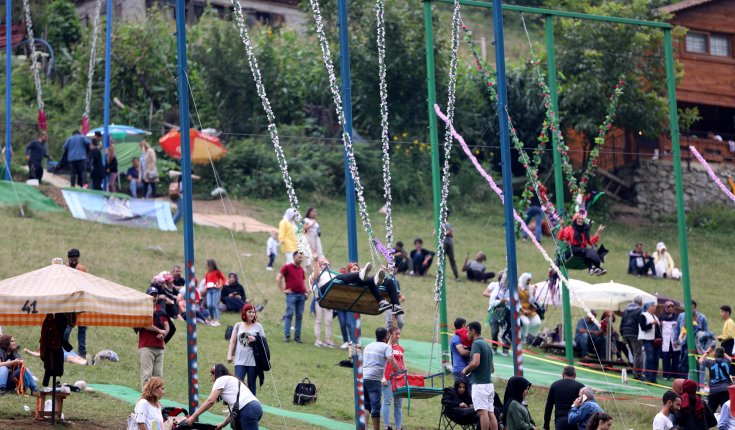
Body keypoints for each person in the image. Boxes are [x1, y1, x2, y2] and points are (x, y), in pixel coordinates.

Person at [186, 364, 263, 430]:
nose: (211, 378)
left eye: (211, 375)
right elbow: (234, 411)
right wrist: (223, 424)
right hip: (255, 408)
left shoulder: (220, 380)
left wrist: (193, 417)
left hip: (248, 410)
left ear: (215, 374)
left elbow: (210, 401)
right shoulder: (232, 380)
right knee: (234, 424)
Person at [461, 321, 498, 430]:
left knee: (482, 412)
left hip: (480, 385)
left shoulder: (476, 344)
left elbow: (476, 362)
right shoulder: (487, 345)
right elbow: (492, 369)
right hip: (489, 385)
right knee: (491, 412)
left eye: (468, 331)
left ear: (473, 331)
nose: (467, 334)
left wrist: (466, 369)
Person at [363, 327, 399, 430]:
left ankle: (365, 427)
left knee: (366, 405)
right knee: (376, 406)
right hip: (374, 379)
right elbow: (390, 359)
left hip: (363, 377)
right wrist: (398, 370)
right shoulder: (386, 347)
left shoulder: (368, 346)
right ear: (387, 336)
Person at [227, 303, 265, 395]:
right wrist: (229, 355)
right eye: (249, 312)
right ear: (244, 312)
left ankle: (252, 407)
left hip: (253, 361)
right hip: (239, 361)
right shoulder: (238, 325)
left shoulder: (258, 326)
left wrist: (255, 339)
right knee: (237, 383)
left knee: (251, 384)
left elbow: (264, 342)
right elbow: (232, 341)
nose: (252, 314)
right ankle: (235, 407)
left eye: (253, 312)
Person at [138, 286, 169, 389]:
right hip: (146, 346)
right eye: (151, 295)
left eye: (155, 295)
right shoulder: (143, 310)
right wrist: (160, 331)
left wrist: (164, 334)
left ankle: (156, 400)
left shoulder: (161, 310)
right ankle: (145, 399)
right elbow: (146, 325)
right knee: (147, 374)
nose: (154, 297)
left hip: (159, 347)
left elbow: (167, 326)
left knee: (158, 376)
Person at [277, 251, 308, 343]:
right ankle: (287, 335)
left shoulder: (302, 269)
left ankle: (297, 337)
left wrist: (306, 292)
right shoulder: (287, 267)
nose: (301, 259)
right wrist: (283, 290)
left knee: (299, 316)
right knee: (289, 314)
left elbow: (303, 281)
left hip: (301, 295)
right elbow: (278, 278)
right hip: (291, 294)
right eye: (299, 257)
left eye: (302, 257)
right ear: (294, 257)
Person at [64, 249, 88, 357]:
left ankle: (82, 352)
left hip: (81, 301)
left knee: (82, 327)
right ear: (68, 259)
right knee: (68, 327)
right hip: (69, 302)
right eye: (71, 260)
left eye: (75, 260)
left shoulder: (82, 269)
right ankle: (64, 349)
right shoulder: (64, 268)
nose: (73, 262)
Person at [543, 366, 585, 430]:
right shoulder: (581, 387)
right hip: (575, 421)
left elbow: (549, 406)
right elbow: (585, 406)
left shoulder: (555, 385)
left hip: (560, 421)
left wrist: (546, 424)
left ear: (563, 375)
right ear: (575, 375)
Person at [382, 326, 405, 430]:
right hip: (388, 378)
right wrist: (382, 377)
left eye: (399, 334)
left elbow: (403, 363)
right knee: (387, 401)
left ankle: (398, 427)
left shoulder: (400, 348)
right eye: (396, 334)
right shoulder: (385, 347)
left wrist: (405, 375)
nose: (398, 336)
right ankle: (387, 426)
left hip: (400, 378)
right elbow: (381, 364)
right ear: (390, 334)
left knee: (398, 404)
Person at [699, 345, 732, 411]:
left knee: (710, 412)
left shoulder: (710, 362)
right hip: (726, 389)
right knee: (727, 411)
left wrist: (708, 351)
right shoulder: (727, 361)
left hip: (714, 390)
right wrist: (721, 351)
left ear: (714, 354)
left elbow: (700, 360)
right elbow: (729, 358)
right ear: (723, 354)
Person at [486, 271, 511, 356]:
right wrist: (500, 301)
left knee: (507, 331)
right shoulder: (496, 289)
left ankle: (506, 348)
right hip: (495, 312)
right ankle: (494, 346)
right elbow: (491, 303)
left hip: (507, 312)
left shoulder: (511, 289)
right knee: (494, 331)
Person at [620, 295, 644, 380]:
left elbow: (622, 321)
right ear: (640, 303)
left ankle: (635, 371)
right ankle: (638, 373)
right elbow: (640, 323)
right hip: (634, 334)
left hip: (626, 333)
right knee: (638, 353)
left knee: (635, 353)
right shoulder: (640, 310)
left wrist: (622, 333)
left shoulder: (626, 310)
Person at [639, 301, 662, 383]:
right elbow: (643, 328)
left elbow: (659, 330)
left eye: (655, 306)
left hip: (657, 341)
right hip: (647, 339)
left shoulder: (655, 317)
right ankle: (647, 377)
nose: (654, 307)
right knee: (649, 358)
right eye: (652, 306)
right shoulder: (643, 315)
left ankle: (653, 378)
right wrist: (651, 324)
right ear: (647, 306)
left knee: (656, 359)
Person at [518, 273, 541, 344]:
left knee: (537, 322)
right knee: (526, 322)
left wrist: (534, 293)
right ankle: (523, 337)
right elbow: (515, 301)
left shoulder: (529, 288)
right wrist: (523, 310)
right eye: (527, 280)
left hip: (529, 310)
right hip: (520, 310)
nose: (528, 282)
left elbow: (531, 301)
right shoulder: (517, 287)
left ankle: (529, 335)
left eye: (529, 280)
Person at [660, 301, 681, 380]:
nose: (671, 309)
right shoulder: (662, 317)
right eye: (669, 307)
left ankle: (675, 375)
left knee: (676, 358)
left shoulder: (677, 316)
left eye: (672, 307)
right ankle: (666, 375)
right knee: (666, 358)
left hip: (675, 341)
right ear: (666, 308)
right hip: (666, 341)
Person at [204, 259, 226, 326]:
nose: (207, 267)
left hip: (215, 290)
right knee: (209, 305)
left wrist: (221, 285)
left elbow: (224, 279)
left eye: (208, 265)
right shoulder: (207, 273)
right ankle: (212, 318)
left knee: (214, 305)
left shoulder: (217, 272)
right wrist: (206, 286)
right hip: (209, 290)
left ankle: (217, 319)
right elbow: (206, 282)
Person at [24, 346, 88, 366]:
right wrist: (28, 351)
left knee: (75, 356)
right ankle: (84, 363)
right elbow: (37, 354)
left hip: (66, 351)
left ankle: (88, 362)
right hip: (61, 355)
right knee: (71, 358)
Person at [444, 209, 460, 281]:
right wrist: (447, 233)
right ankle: (442, 275)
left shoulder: (448, 224)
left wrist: (443, 233)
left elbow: (450, 233)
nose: (447, 215)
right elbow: (435, 232)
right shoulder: (442, 223)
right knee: (443, 260)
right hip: (444, 243)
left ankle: (456, 276)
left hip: (449, 243)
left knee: (452, 260)